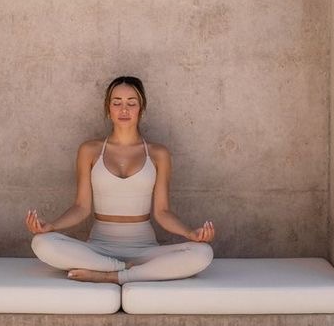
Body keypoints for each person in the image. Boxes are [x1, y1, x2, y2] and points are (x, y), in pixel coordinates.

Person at [25, 76, 214, 284]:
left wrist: (190, 233)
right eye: (117, 103)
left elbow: (162, 212)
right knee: (42, 243)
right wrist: (51, 226)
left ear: (141, 108)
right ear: (108, 108)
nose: (124, 109)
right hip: (98, 248)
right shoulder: (89, 150)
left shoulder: (159, 154)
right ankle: (125, 269)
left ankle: (110, 275)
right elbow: (81, 207)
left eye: (131, 103)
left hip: (144, 249)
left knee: (203, 252)